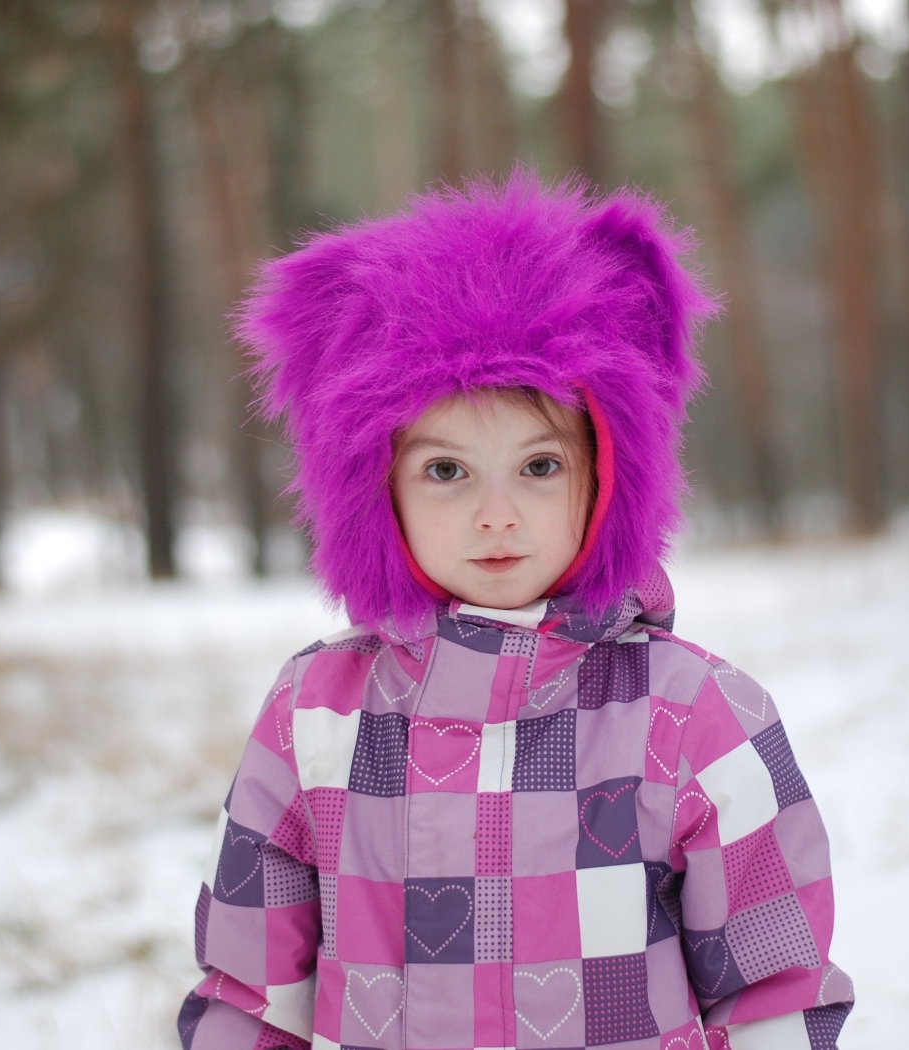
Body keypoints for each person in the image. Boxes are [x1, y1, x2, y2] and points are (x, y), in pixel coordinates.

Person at [178, 172, 854, 1050]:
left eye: (538, 467)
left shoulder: (689, 719)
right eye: (447, 471)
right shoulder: (316, 716)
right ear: (375, 489)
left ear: (606, 476)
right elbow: (251, 992)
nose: (496, 514)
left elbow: (776, 992)